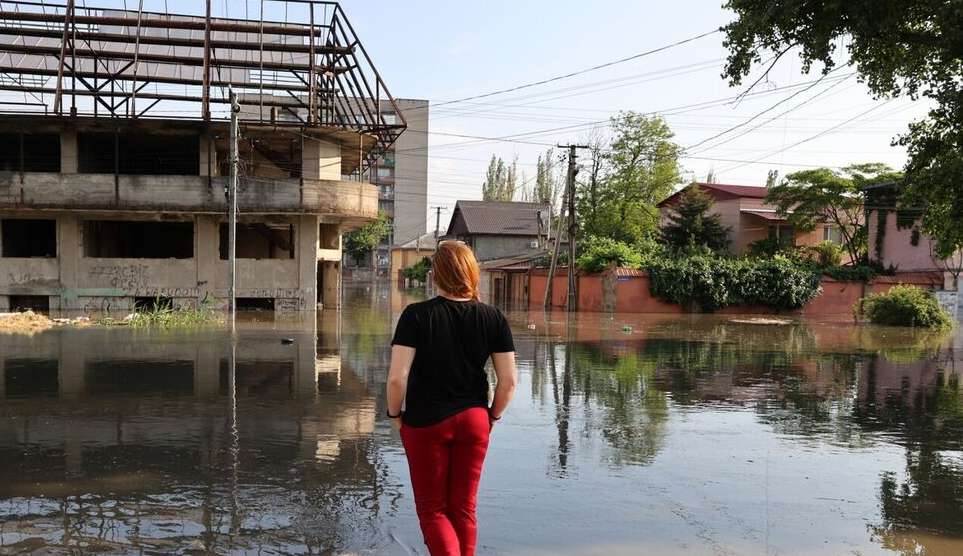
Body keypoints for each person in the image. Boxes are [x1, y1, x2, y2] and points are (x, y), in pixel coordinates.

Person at [386, 240, 518, 556]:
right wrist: (492, 417)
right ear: (473, 273)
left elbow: (396, 378)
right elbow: (509, 381)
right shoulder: (493, 317)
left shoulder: (416, 316)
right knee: (463, 508)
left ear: (435, 275)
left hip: (426, 422)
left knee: (433, 511)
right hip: (474, 420)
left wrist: (395, 416)